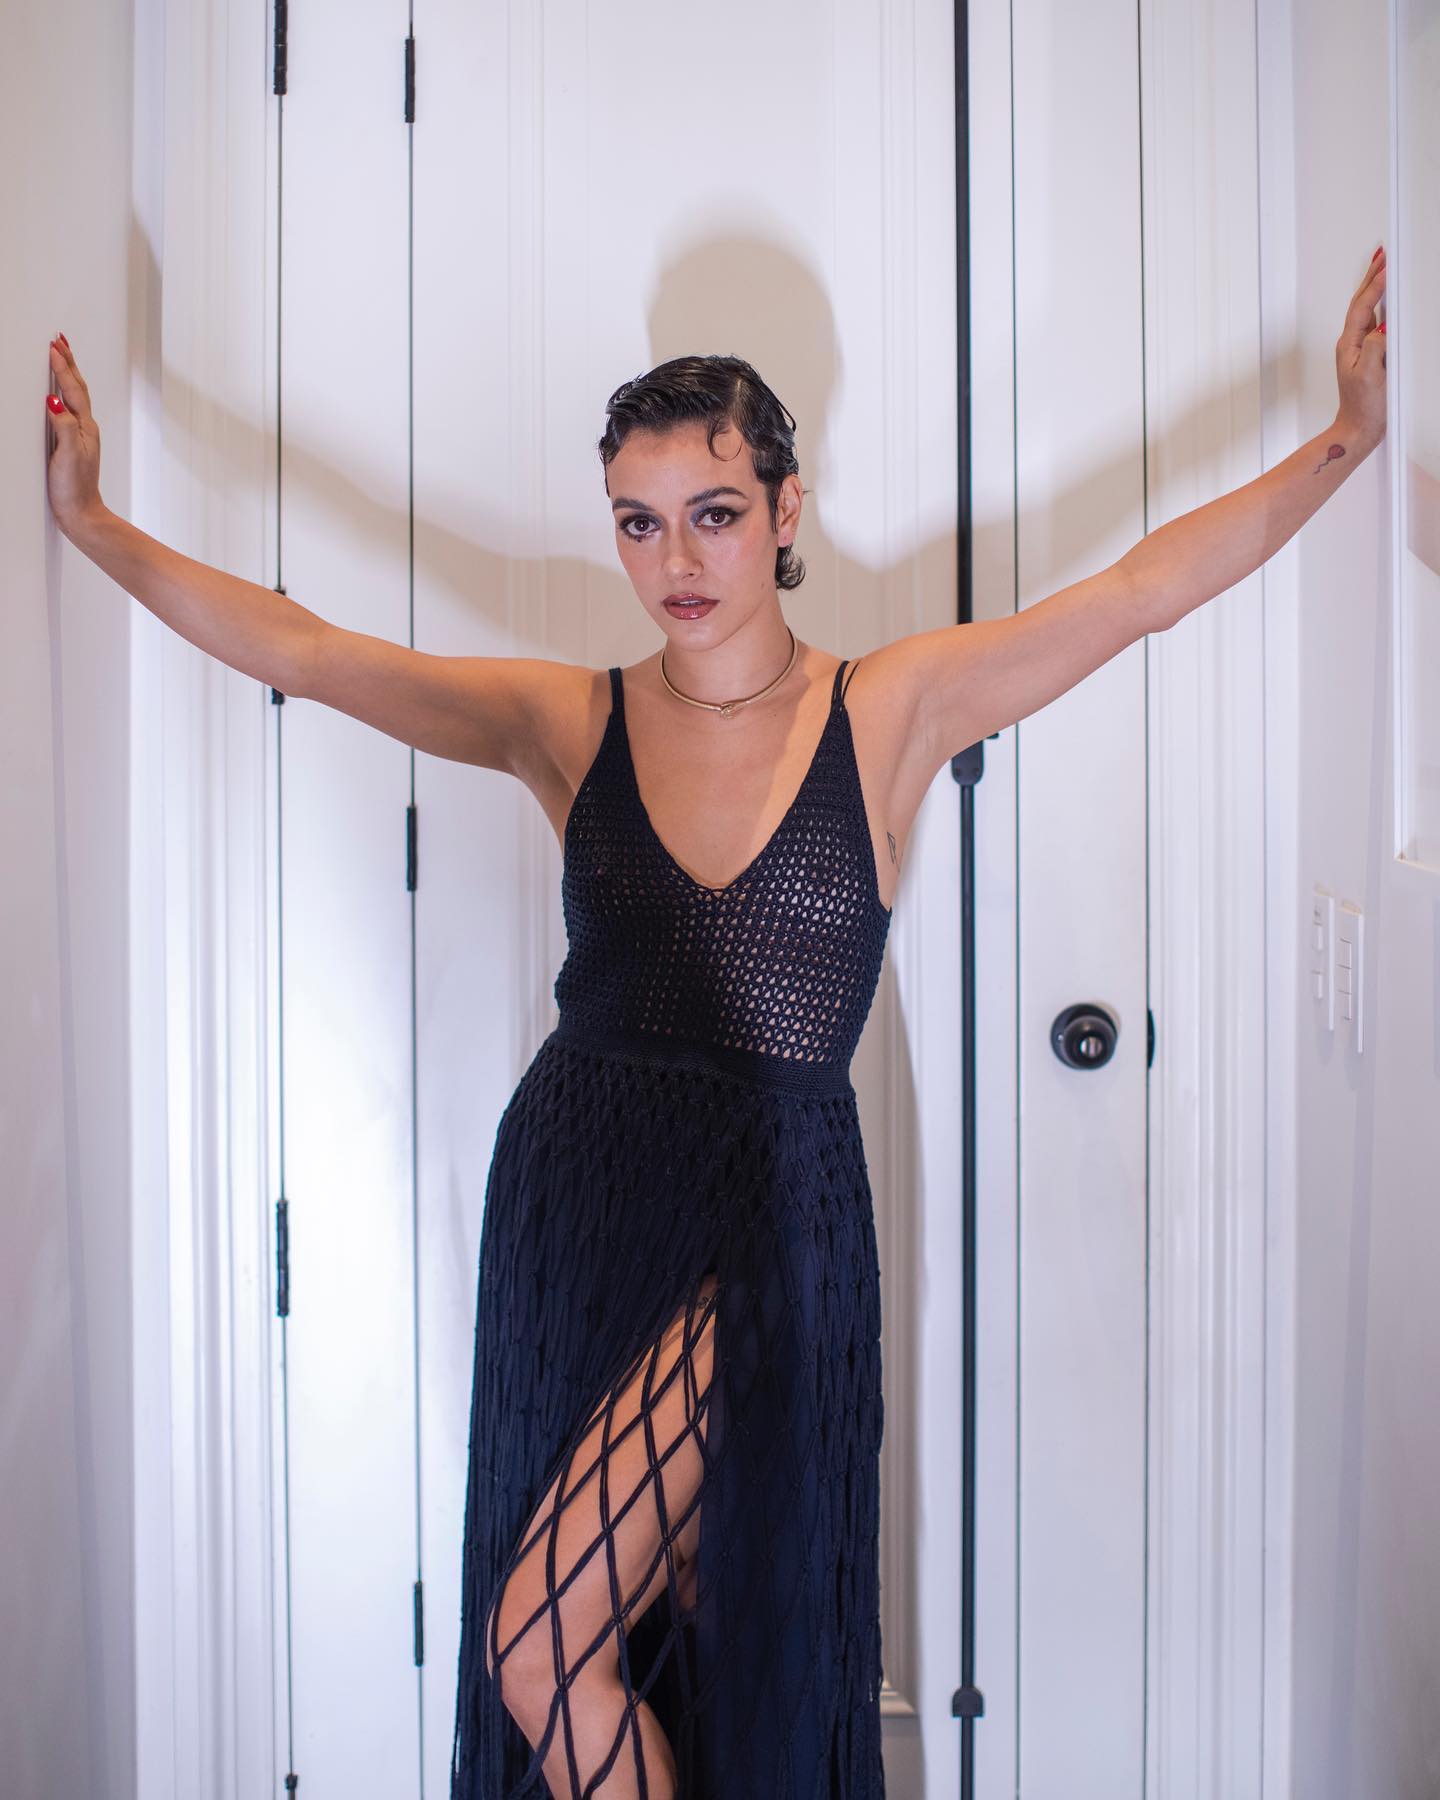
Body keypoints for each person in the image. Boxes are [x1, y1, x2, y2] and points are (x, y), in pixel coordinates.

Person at [42, 252, 1385, 1798]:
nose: (675, 558)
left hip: (770, 1224)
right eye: (638, 520)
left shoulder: (889, 709)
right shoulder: (571, 720)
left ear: (787, 509)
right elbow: (315, 653)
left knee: (565, 1645)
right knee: (643, 1637)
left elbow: (1140, 591)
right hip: (581, 1200)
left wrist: (1347, 436)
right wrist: (94, 522)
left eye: (714, 512)